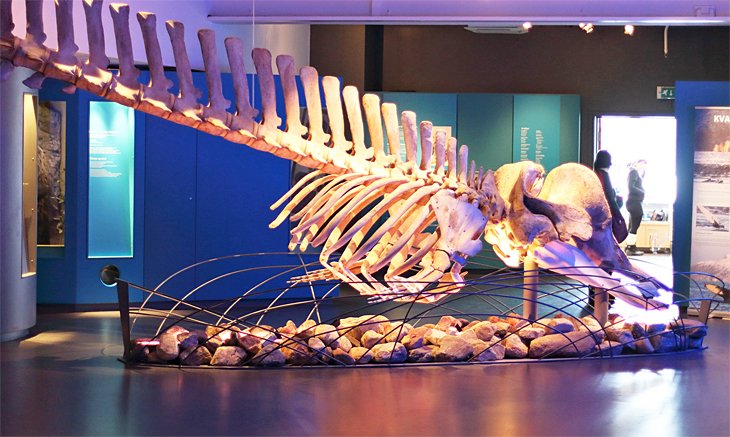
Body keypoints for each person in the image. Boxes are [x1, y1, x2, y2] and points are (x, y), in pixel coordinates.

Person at [625, 159, 647, 256]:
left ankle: (631, 246)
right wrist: (642, 192)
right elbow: (631, 187)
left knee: (633, 225)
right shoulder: (633, 172)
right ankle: (630, 247)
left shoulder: (635, 173)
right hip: (634, 202)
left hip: (634, 201)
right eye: (642, 164)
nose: (643, 166)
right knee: (635, 224)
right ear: (637, 163)